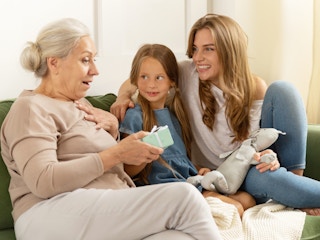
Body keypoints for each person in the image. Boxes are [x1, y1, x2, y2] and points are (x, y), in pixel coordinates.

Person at [0, 18, 223, 240]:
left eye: (94, 60)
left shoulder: (81, 106)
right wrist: (117, 153)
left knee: (178, 237)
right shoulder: (30, 107)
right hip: (46, 214)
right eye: (86, 60)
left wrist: (115, 132)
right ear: (54, 63)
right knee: (185, 197)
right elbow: (43, 181)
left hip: (100, 214)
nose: (95, 70)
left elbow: (96, 159)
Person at [110, 13, 320, 216]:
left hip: (250, 166)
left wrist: (268, 158)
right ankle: (297, 196)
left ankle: (296, 188)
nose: (198, 58)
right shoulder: (188, 73)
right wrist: (122, 97)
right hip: (218, 176)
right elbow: (139, 77)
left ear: (229, 51)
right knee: (266, 180)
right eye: (195, 49)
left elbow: (256, 142)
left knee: (285, 90)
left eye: (208, 49)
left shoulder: (255, 87)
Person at [119, 43, 257, 217]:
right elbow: (126, 169)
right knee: (235, 208)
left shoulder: (174, 117)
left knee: (247, 200)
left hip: (188, 181)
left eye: (159, 78)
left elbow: (179, 159)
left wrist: (199, 168)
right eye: (144, 77)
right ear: (135, 79)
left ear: (172, 82)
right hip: (165, 187)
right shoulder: (134, 117)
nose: (151, 85)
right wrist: (147, 153)